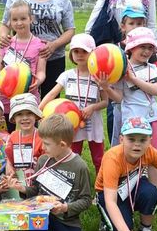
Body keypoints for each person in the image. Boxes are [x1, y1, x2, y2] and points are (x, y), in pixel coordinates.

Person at [12, 113, 92, 231]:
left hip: (65, 219)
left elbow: (86, 200)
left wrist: (65, 208)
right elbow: (36, 190)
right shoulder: (43, 160)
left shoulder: (79, 167)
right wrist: (22, 188)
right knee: (28, 216)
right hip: (42, 214)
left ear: (62, 145)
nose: (42, 147)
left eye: (46, 144)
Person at [0, 0, 75, 97]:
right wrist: (4, 36)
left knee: (48, 102)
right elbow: (5, 24)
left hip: (53, 59)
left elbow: (70, 30)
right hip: (21, 58)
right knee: (20, 101)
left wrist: (53, 45)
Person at [98, 27, 157, 185]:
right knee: (128, 155)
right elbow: (119, 98)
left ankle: (155, 189)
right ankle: (124, 187)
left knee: (154, 155)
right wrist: (106, 88)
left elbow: (155, 90)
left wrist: (133, 79)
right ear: (131, 48)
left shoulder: (152, 68)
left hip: (151, 118)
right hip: (131, 121)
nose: (147, 51)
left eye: (150, 48)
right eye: (142, 47)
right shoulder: (121, 69)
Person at [40, 33, 107, 173]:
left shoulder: (98, 76)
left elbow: (106, 102)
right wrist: (39, 110)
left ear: (93, 54)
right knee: (72, 155)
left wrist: (93, 107)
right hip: (71, 124)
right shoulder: (67, 75)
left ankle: (102, 182)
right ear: (71, 54)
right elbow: (52, 94)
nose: (80, 55)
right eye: (76, 51)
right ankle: (71, 178)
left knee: (99, 158)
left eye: (84, 51)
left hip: (93, 123)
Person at [0, 0, 47, 131]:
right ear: (10, 22)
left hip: (29, 98)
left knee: (30, 134)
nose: (19, 23)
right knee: (6, 135)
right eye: (14, 19)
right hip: (7, 98)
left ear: (31, 19)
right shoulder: (6, 44)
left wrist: (38, 81)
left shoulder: (40, 45)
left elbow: (41, 72)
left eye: (23, 18)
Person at [107, 6, 147, 146]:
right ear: (123, 27)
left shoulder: (147, 48)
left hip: (139, 99)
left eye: (139, 23)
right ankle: (116, 151)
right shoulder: (115, 49)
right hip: (117, 97)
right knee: (115, 125)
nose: (135, 27)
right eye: (131, 23)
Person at [5, 93, 44, 184]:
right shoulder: (12, 137)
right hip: (18, 181)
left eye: (29, 113)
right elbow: (9, 158)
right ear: (14, 118)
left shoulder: (43, 137)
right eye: (19, 114)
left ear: (36, 115)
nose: (25, 118)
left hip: (38, 181)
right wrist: (9, 166)